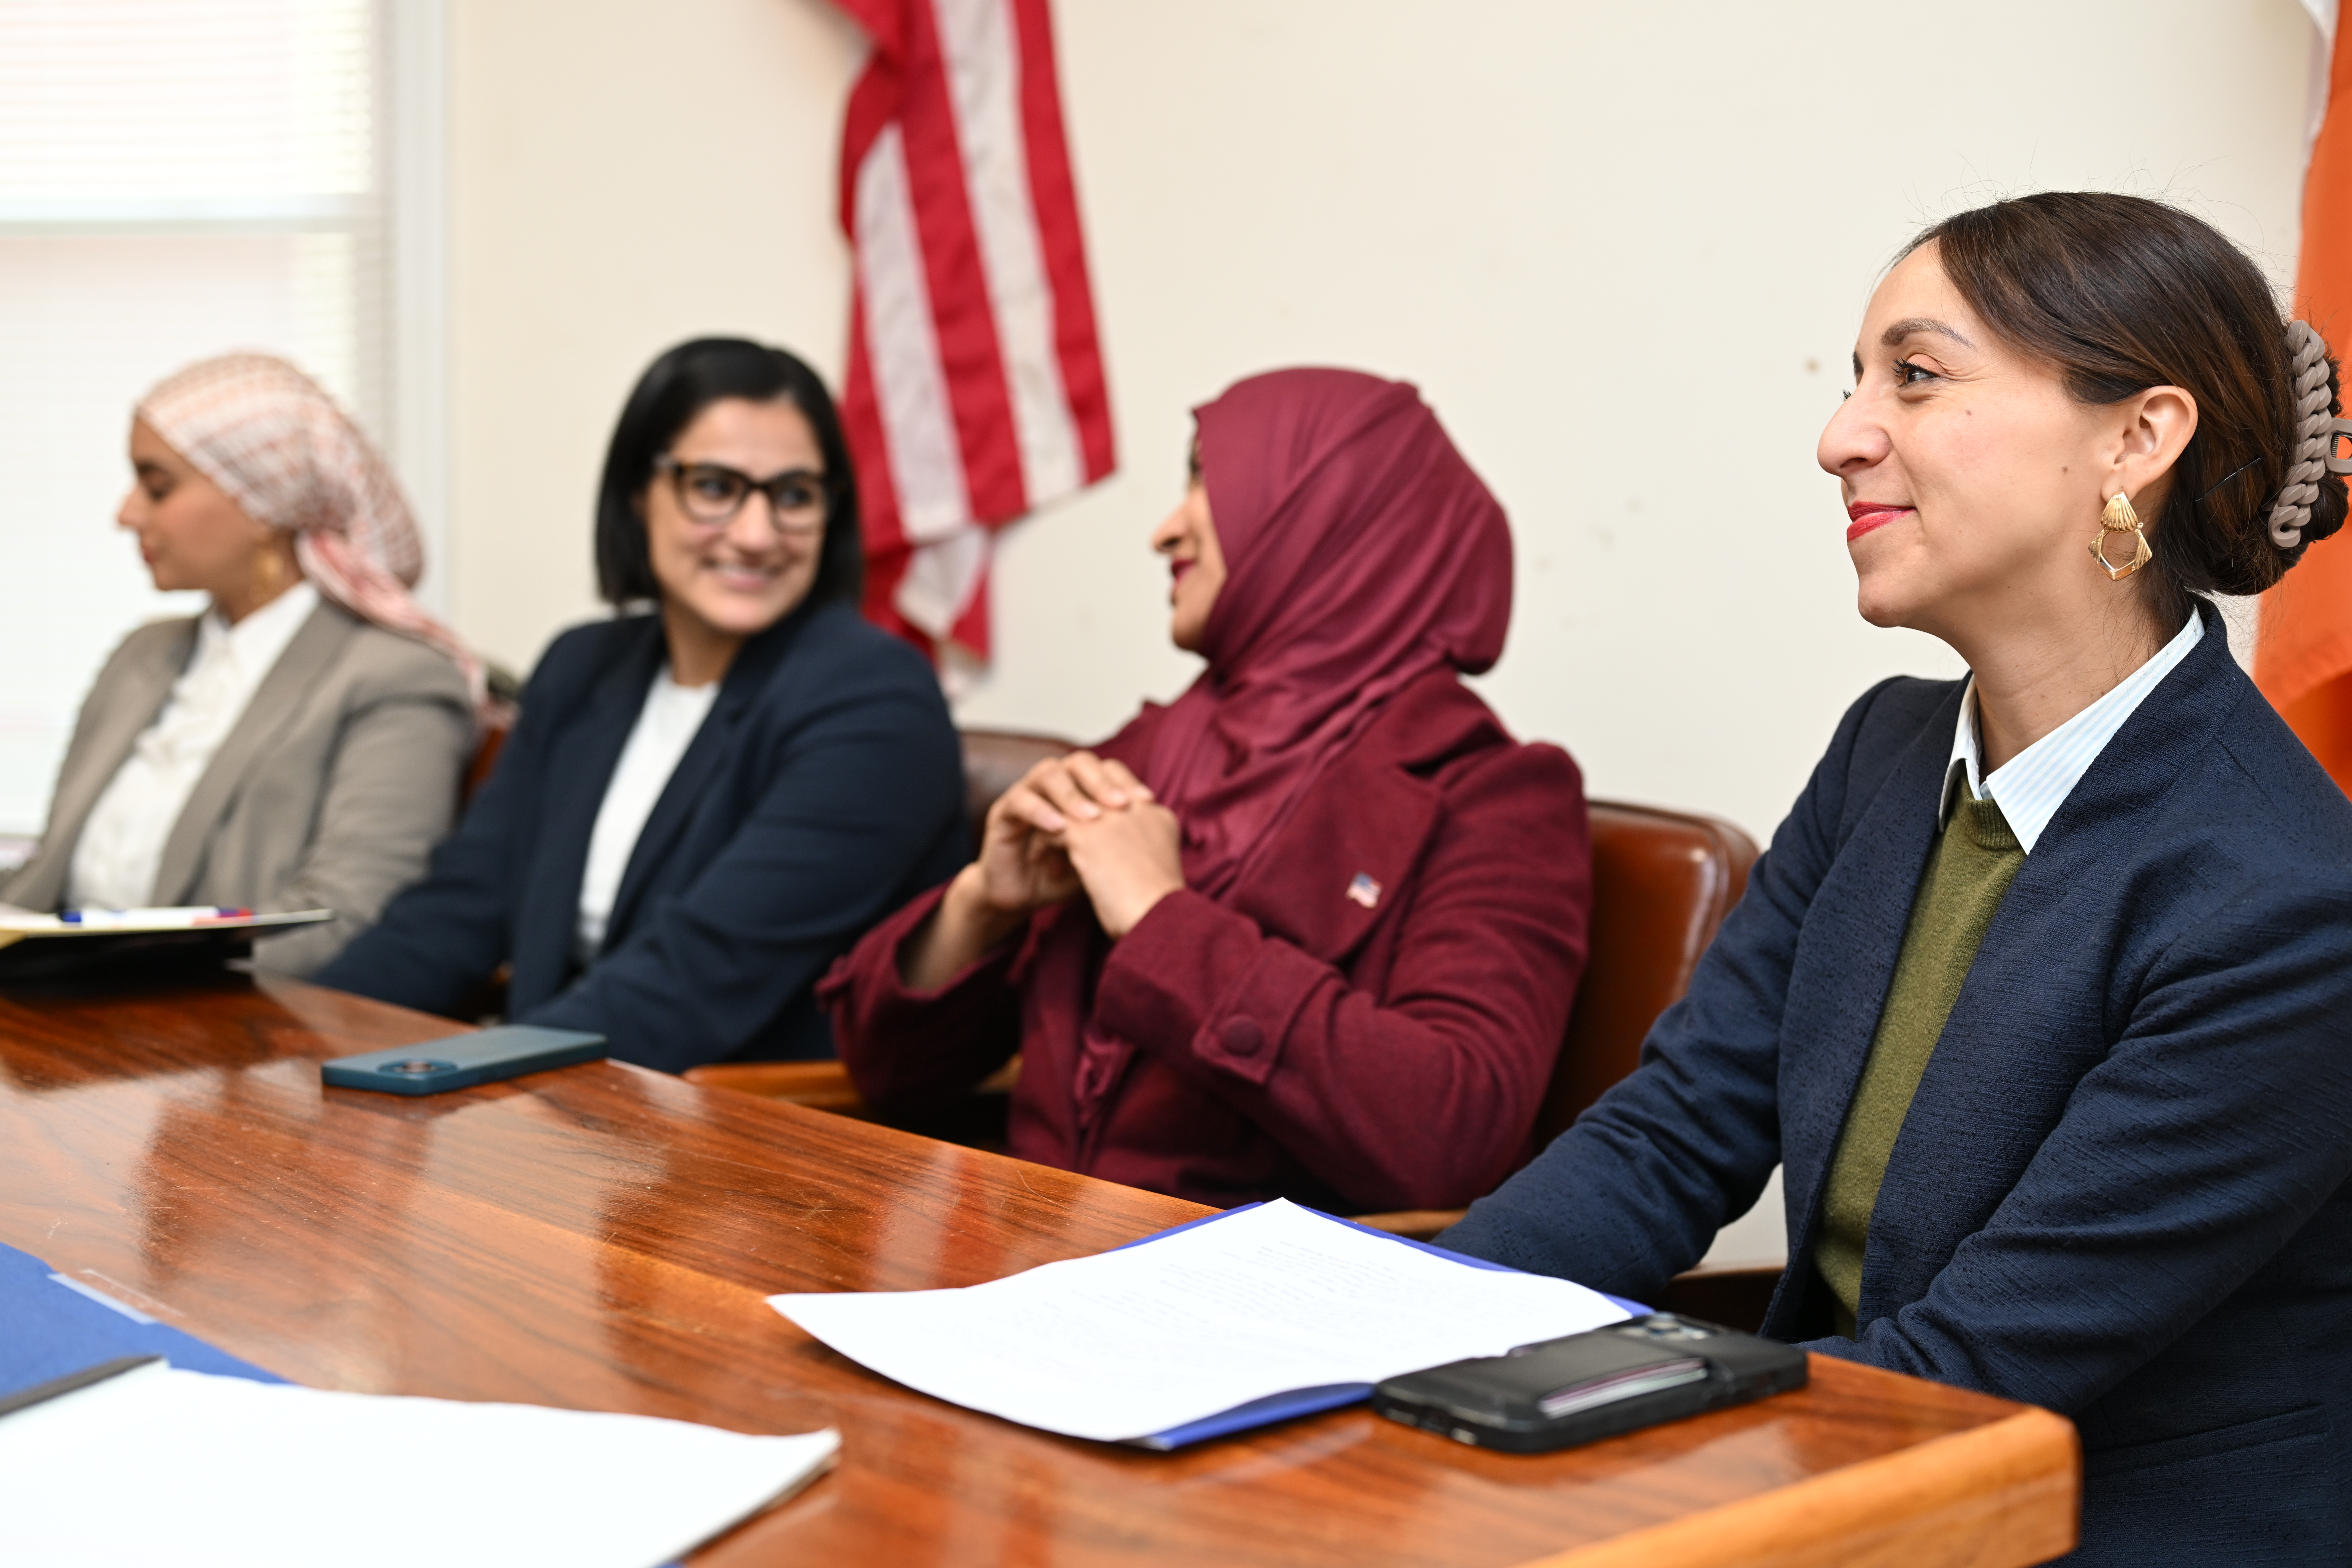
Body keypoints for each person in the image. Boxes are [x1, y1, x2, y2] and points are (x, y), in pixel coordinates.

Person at [1440, 193, 2352, 1561]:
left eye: (1915, 377)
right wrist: (1392, 1324)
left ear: (2138, 437)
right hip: (1839, 1454)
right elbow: (1672, 1135)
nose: (1839, 436)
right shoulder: (1887, 747)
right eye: (1854, 379)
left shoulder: (2285, 896)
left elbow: (1982, 1359)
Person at [822, 368, 1592, 1213]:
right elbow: (890, 1076)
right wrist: (981, 906)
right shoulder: (1152, 748)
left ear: (1322, 512)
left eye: (1207, 480)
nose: (1164, 531)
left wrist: (1161, 920)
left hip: (1266, 1314)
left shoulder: (1492, 795)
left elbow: (1451, 1139)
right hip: (1019, 1266)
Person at [316, 339, 965, 1071]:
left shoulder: (876, 700)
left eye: (794, 496)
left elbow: (699, 976)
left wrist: (449, 1077)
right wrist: (292, 1041)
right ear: (637, 492)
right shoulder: (584, 666)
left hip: (745, 1139)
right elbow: (456, 915)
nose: (756, 536)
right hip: (566, 1103)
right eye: (715, 488)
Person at [3, 354, 477, 976]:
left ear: (262, 502)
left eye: (158, 486)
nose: (128, 514)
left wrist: (102, 984)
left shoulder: (395, 679)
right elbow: (51, 876)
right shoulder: (142, 655)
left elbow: (346, 918)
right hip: (53, 1010)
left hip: (212, 1033)